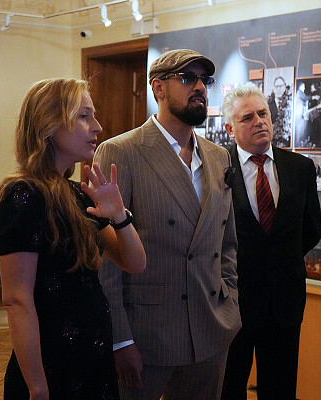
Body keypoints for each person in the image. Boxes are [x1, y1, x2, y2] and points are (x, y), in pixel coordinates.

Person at [93, 49, 241, 400]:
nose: (200, 88)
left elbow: (227, 242)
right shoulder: (121, 152)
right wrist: (121, 339)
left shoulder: (218, 156)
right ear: (158, 88)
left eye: (204, 80)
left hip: (210, 331)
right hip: (146, 337)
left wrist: (230, 305)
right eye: (187, 79)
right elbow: (107, 258)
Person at [0, 78, 146, 400]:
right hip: (51, 365)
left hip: (92, 356)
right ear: (49, 124)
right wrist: (36, 387)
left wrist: (119, 215)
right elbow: (17, 300)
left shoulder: (77, 194)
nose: (98, 127)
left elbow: (135, 263)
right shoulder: (23, 196)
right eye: (84, 116)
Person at [220, 86, 321, 400]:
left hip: (284, 304)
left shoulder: (299, 168)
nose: (259, 121)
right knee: (228, 388)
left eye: (263, 113)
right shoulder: (219, 169)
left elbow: (311, 230)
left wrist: (280, 260)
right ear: (230, 128)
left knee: (280, 390)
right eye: (247, 117)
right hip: (232, 304)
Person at [267, 76, 292, 148]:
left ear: (285, 87)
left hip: (286, 142)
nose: (278, 89)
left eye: (281, 86)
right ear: (273, 88)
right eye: (276, 86)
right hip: (272, 142)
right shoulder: (268, 104)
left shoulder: (290, 103)